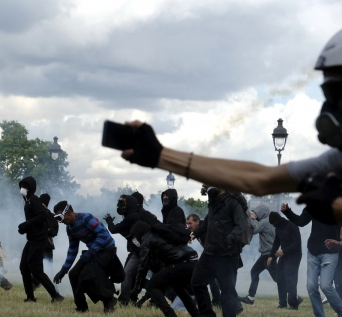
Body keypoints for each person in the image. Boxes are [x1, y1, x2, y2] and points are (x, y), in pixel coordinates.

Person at [113, 30, 342, 223]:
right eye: (328, 93)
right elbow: (259, 178)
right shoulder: (335, 160)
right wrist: (161, 156)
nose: (330, 107)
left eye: (335, 92)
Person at [189, 188, 246, 317]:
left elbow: (241, 226)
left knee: (227, 291)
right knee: (197, 282)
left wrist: (227, 241)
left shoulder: (234, 202)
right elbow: (207, 223)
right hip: (210, 253)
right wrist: (194, 234)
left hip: (227, 255)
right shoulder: (214, 202)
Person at [52, 201, 119, 313]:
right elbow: (73, 249)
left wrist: (91, 251)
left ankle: (109, 300)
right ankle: (81, 307)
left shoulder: (86, 218)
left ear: (68, 212)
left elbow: (103, 234)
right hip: (94, 252)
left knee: (88, 274)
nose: (61, 222)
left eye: (60, 218)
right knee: (73, 274)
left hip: (107, 250)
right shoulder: (70, 228)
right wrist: (64, 269)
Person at [130, 221, 199, 317]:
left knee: (151, 286)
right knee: (178, 287)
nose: (133, 240)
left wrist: (135, 290)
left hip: (182, 262)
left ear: (138, 233)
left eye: (133, 237)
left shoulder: (146, 240)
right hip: (193, 259)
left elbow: (143, 267)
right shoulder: (160, 233)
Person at [281, 204, 342, 317]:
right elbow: (301, 221)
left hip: (330, 252)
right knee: (311, 287)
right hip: (313, 251)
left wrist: (339, 243)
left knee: (325, 286)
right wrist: (287, 211)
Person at [17, 176, 64, 303]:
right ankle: (30, 297)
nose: (23, 189)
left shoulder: (33, 200)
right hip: (32, 239)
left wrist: (26, 224)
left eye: (25, 186)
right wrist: (25, 228)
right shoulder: (28, 201)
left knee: (36, 269)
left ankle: (56, 296)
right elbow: (35, 222)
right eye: (22, 186)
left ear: (31, 188)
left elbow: (43, 214)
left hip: (39, 240)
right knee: (24, 267)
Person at [104, 194, 141, 305]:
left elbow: (114, 229)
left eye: (122, 203)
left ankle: (125, 300)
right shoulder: (135, 215)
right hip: (138, 252)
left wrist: (109, 221)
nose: (119, 206)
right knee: (132, 275)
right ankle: (127, 299)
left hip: (146, 252)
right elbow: (127, 233)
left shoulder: (132, 216)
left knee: (129, 274)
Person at [239, 205, 277, 305]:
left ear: (261, 213)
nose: (254, 214)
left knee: (278, 277)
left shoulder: (264, 222)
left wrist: (250, 219)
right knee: (254, 271)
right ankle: (250, 297)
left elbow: (253, 231)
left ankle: (294, 296)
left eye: (256, 213)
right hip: (268, 253)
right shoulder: (269, 220)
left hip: (268, 254)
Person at [266, 212, 303, 310]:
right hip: (284, 255)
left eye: (274, 223)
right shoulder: (278, 228)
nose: (274, 226)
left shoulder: (292, 226)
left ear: (278, 221)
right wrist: (271, 256)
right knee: (280, 277)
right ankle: (282, 303)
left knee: (290, 278)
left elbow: (297, 244)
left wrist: (284, 251)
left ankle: (293, 304)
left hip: (294, 255)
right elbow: (276, 243)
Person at [186, 214, 221, 307]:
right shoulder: (197, 230)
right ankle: (217, 301)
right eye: (187, 224)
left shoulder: (204, 228)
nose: (188, 226)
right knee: (213, 280)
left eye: (190, 223)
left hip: (216, 256)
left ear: (197, 222)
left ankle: (226, 302)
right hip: (211, 256)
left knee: (217, 281)